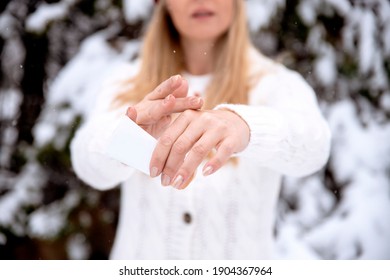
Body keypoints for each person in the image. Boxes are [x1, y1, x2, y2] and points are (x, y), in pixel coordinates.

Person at [71, 0, 331, 259]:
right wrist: (126, 139)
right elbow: (86, 162)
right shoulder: (126, 84)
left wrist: (247, 127)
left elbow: (314, 147)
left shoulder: (277, 85)